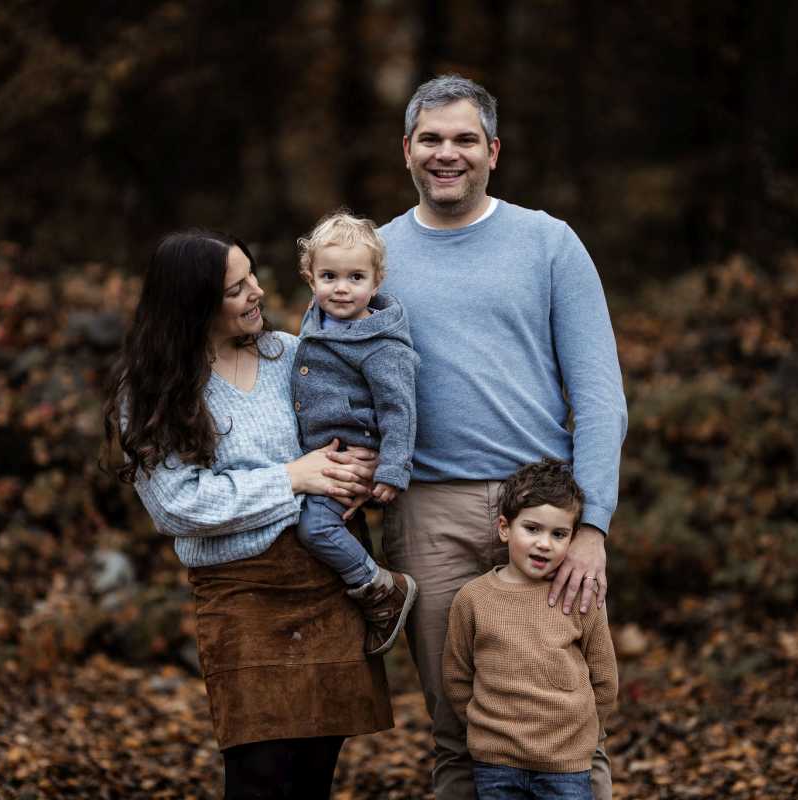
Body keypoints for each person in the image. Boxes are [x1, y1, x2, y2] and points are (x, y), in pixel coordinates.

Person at [379, 74, 628, 800]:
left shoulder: (549, 244)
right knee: (457, 726)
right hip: (430, 512)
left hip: (547, 513)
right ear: (407, 150)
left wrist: (593, 527)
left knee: (572, 720)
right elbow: (331, 383)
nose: (446, 153)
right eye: (431, 138)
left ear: (493, 151)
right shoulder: (376, 256)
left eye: (463, 139)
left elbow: (601, 397)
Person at [102, 229, 393, 799]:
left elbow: (352, 426)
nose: (258, 291)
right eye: (237, 289)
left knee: (313, 776)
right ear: (195, 307)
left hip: (328, 582)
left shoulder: (294, 355)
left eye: (252, 276)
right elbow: (177, 505)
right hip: (242, 597)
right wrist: (292, 478)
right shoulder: (154, 388)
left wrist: (360, 464)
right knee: (259, 777)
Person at [442, 459, 618, 800]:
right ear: (505, 528)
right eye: (532, 529)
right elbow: (457, 675)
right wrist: (484, 729)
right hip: (496, 763)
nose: (544, 544)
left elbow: (604, 676)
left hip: (566, 764)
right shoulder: (473, 598)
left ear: (573, 537)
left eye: (559, 534)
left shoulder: (582, 596)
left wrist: (584, 734)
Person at [291, 211, 420, 656]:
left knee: (315, 529)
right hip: (317, 453)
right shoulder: (316, 323)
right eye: (329, 276)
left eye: (355, 277)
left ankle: (380, 588)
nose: (341, 287)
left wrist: (392, 468)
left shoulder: (381, 344)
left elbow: (399, 409)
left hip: (352, 455)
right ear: (310, 278)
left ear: (376, 280)